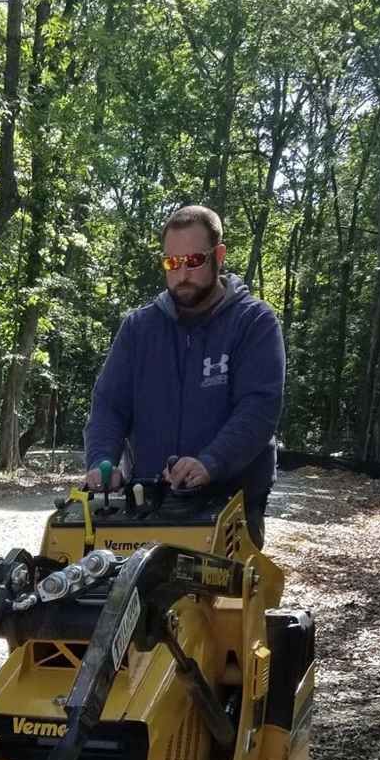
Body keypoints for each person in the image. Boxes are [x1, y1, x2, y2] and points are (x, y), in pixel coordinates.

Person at [83, 205, 285, 546]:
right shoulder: (139, 328)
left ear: (218, 255)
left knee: (223, 599)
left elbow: (258, 409)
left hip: (231, 504)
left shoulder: (254, 323)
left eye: (194, 261)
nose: (182, 274)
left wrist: (210, 462)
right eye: (171, 263)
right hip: (149, 502)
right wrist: (102, 459)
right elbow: (109, 405)